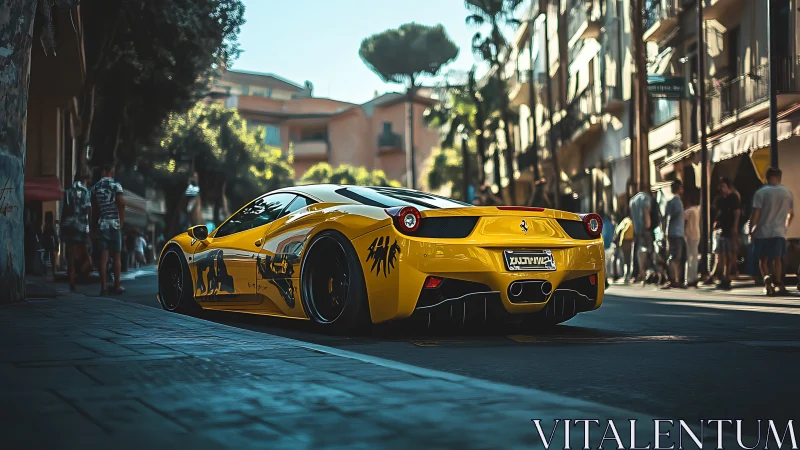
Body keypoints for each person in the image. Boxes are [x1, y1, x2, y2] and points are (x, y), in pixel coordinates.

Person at [749, 167, 794, 296]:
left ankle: (767, 281)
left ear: (767, 177)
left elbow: (756, 213)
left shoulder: (760, 193)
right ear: (780, 177)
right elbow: (791, 214)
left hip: (762, 231)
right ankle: (779, 283)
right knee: (777, 259)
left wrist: (751, 229)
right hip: (779, 231)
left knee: (762, 260)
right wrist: (785, 226)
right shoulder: (787, 193)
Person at [92, 162, 126, 295]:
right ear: (111, 170)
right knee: (117, 256)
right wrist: (121, 222)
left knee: (103, 257)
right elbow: (121, 203)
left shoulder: (96, 187)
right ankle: (117, 285)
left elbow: (94, 209)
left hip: (102, 224)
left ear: (103, 171)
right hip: (114, 224)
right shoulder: (116, 185)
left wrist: (94, 225)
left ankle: (104, 287)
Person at [61, 171, 93, 292]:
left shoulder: (68, 191)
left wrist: (63, 224)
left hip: (70, 225)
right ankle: (84, 271)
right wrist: (90, 227)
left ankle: (71, 281)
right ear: (84, 179)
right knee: (86, 251)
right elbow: (89, 209)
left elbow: (66, 208)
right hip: (82, 226)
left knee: (71, 255)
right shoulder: (86, 191)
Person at [711, 178, 741, 290]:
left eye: (723, 186)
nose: (721, 188)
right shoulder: (720, 199)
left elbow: (736, 212)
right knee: (721, 253)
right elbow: (718, 211)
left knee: (728, 252)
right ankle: (723, 275)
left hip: (729, 227)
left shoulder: (733, 197)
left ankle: (727, 275)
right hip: (720, 227)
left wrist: (735, 227)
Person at [662, 180, 686, 288]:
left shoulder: (673, 201)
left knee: (677, 257)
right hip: (675, 233)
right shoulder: (675, 202)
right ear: (679, 188)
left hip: (676, 232)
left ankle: (675, 279)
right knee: (675, 257)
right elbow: (669, 217)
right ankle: (673, 279)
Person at [629, 188, 655, 286]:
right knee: (648, 251)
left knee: (637, 252)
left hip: (636, 231)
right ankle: (648, 274)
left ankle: (637, 274)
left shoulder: (632, 201)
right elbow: (646, 212)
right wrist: (648, 225)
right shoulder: (646, 198)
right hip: (645, 230)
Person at [683, 194, 701, 287]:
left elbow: (681, 216)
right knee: (694, 257)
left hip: (690, 236)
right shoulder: (697, 210)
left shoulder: (690, 211)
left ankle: (689, 278)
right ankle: (694, 276)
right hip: (696, 235)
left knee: (689, 257)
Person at [613, 215, 635, 283]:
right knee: (627, 260)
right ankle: (627, 275)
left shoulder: (624, 221)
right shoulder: (629, 222)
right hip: (627, 241)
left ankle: (626, 275)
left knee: (625, 260)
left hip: (623, 242)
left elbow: (618, 231)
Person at [41, 212, 59, 279]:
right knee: (51, 257)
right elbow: (55, 236)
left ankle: (48, 271)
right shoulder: (50, 227)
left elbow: (45, 236)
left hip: (48, 244)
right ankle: (53, 271)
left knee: (47, 257)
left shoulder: (47, 227)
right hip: (50, 244)